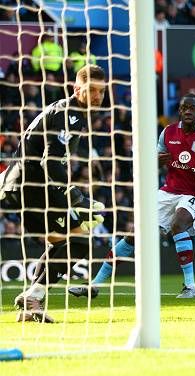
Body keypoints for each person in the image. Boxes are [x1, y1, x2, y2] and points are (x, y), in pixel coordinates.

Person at [69, 93, 195, 299]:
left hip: (194, 194)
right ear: (179, 111)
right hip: (168, 191)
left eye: (192, 108)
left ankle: (190, 286)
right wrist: (157, 160)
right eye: (184, 108)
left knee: (178, 223)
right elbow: (153, 160)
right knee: (133, 236)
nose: (188, 112)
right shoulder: (168, 133)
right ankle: (94, 285)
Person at [0, 65, 107, 322]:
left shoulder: (73, 114)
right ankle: (33, 297)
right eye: (91, 90)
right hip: (30, 186)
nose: (96, 97)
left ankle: (32, 301)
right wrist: (73, 196)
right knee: (78, 240)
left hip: (31, 185)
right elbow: (51, 161)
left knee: (70, 242)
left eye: (101, 92)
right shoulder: (67, 114)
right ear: (76, 88)